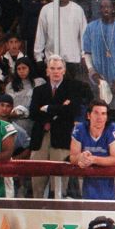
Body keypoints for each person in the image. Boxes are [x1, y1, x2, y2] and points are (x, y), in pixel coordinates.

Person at [28, 55, 89, 199]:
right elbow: (33, 113)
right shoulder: (39, 90)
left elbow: (72, 110)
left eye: (59, 68)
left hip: (61, 139)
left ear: (64, 70)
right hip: (41, 138)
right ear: (47, 71)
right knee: (37, 183)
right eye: (53, 68)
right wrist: (60, 109)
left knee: (60, 185)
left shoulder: (72, 87)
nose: (56, 72)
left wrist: (48, 108)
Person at [82, 0, 115, 111]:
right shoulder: (91, 28)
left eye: (108, 6)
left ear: (113, 8)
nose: (105, 9)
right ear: (99, 9)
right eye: (102, 7)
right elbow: (86, 54)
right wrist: (93, 74)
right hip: (96, 84)